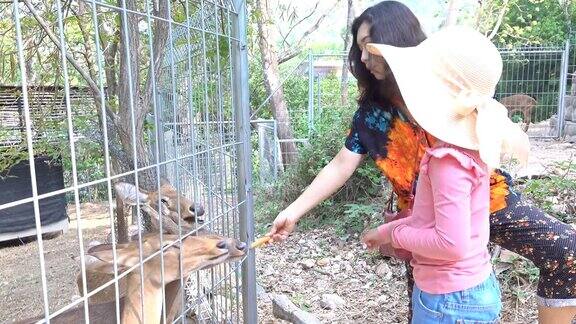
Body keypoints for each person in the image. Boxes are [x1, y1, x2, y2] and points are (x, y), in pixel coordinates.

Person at [266, 1, 576, 323]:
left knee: (567, 249)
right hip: (423, 221)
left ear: (395, 39)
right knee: (429, 307)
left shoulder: (449, 86)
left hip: (485, 202)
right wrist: (293, 211)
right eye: (358, 49)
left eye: (368, 47)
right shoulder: (373, 113)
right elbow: (341, 164)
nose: (362, 58)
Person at [360, 26, 526, 323]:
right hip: (468, 290)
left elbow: (451, 244)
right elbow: (431, 221)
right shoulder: (470, 147)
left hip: (449, 302)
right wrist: (383, 233)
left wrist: (396, 234)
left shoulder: (446, 161)